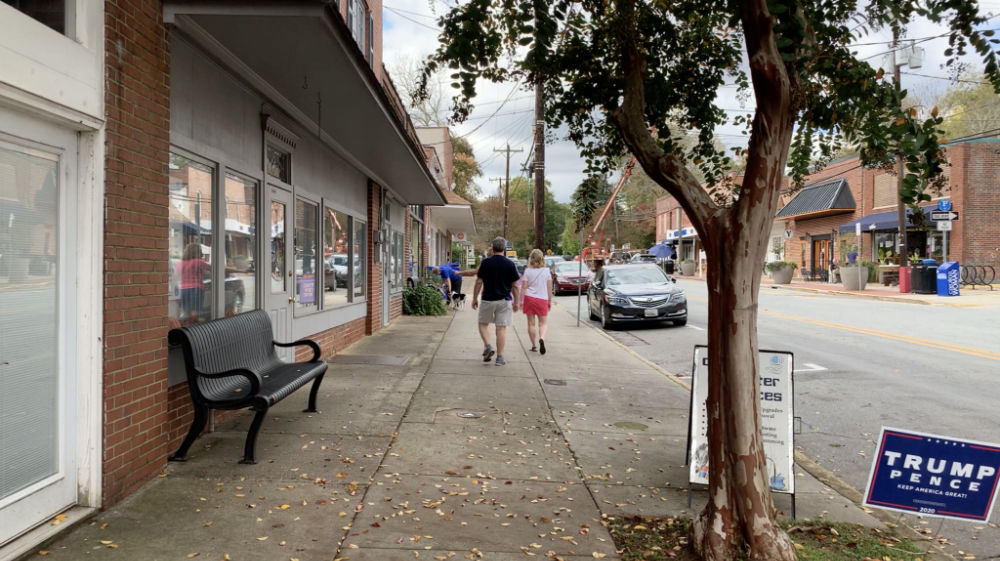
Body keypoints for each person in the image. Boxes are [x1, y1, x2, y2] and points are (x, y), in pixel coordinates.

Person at [471, 237, 521, 366]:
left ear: (492, 248)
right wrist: (517, 302)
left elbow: (479, 281)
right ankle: (499, 357)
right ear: (504, 248)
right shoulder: (510, 264)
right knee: (501, 329)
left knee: (482, 323)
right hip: (504, 300)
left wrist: (475, 298)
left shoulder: (485, 263)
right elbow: (515, 285)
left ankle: (488, 346)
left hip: (488, 299)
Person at [520, 249, 552, 354]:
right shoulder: (547, 271)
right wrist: (549, 301)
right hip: (542, 299)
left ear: (531, 259)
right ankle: (542, 338)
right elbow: (549, 288)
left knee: (531, 324)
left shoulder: (528, 271)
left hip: (529, 299)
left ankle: (534, 345)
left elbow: (524, 287)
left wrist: (521, 300)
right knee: (543, 323)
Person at [175, 242, 208, 324]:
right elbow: (215, 268)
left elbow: (176, 275)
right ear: (197, 252)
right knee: (195, 312)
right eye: (200, 250)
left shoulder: (181, 263)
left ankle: (187, 331)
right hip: (196, 289)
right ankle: (195, 331)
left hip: (183, 290)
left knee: (186, 312)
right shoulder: (198, 262)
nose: (202, 253)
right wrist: (240, 270)